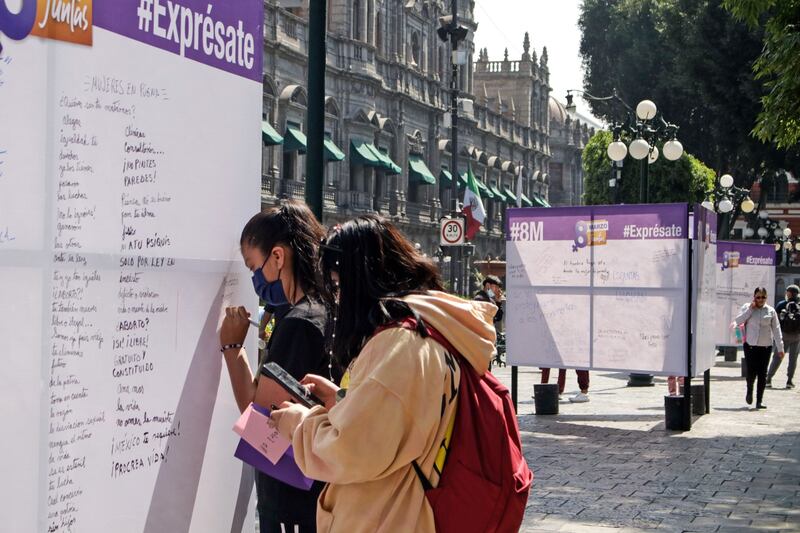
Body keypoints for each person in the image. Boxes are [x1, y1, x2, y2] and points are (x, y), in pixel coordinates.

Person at [270, 215, 496, 532]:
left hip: (389, 517)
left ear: (361, 281)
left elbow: (350, 449)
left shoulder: (400, 344)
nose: (337, 298)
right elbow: (400, 420)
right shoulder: (428, 331)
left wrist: (299, 423)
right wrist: (344, 400)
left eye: (338, 285)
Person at [218, 200, 329, 533]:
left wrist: (232, 347)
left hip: (290, 504)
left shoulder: (299, 323)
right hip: (316, 496)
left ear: (278, 257)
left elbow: (261, 425)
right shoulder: (324, 309)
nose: (255, 279)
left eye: (254, 267)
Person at [735, 287, 784, 409]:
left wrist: (780, 348)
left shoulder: (771, 311)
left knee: (763, 373)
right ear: (754, 297)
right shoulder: (748, 308)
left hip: (765, 346)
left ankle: (759, 401)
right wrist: (750, 310)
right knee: (751, 371)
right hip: (750, 345)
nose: (760, 299)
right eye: (758, 297)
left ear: (766, 298)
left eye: (763, 297)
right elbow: (738, 320)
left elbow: (776, 330)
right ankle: (749, 390)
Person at [767, 284, 800, 389]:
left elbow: (774, 320)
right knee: (793, 359)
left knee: (777, 357)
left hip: (783, 335)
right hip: (797, 336)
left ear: (789, 293)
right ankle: (789, 381)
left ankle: (768, 379)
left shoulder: (781, 304)